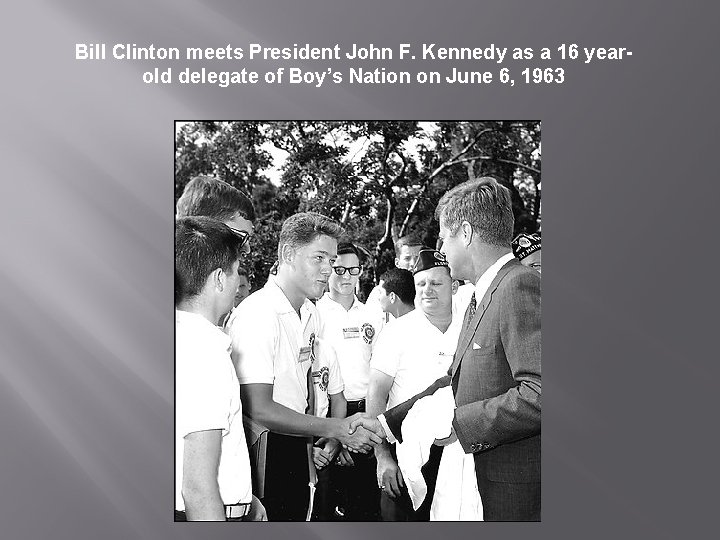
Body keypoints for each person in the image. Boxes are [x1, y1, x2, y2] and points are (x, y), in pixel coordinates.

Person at [352, 177, 541, 521]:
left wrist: (462, 424)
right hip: (476, 486)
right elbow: (452, 382)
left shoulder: (518, 285)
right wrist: (386, 423)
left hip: (508, 493)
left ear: (465, 233)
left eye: (444, 235)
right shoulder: (479, 296)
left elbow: (541, 393)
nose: (441, 244)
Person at [226, 212, 382, 521]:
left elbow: (304, 393)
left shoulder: (310, 312)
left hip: (298, 443)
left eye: (332, 260)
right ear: (287, 254)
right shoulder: (259, 314)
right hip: (262, 447)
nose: (329, 270)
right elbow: (257, 407)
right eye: (319, 258)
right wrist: (337, 429)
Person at [175, 216, 266, 521]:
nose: (238, 281)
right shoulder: (205, 354)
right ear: (218, 279)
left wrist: (246, 499)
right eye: (236, 271)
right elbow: (198, 488)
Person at [366, 249, 462, 520]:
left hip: (457, 452)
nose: (427, 290)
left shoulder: (469, 327)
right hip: (404, 452)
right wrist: (383, 456)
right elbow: (376, 396)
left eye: (437, 283)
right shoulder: (397, 332)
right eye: (421, 283)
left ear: (454, 286)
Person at [316, 242, 385, 521]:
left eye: (353, 269)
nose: (346, 276)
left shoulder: (373, 314)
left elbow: (381, 373)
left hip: (366, 415)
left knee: (365, 507)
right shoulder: (315, 313)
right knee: (330, 508)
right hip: (327, 420)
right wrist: (339, 436)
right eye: (339, 269)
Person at [366, 234, 424, 320]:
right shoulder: (380, 293)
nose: (413, 264)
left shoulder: (433, 292)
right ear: (397, 263)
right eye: (407, 259)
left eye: (417, 258)